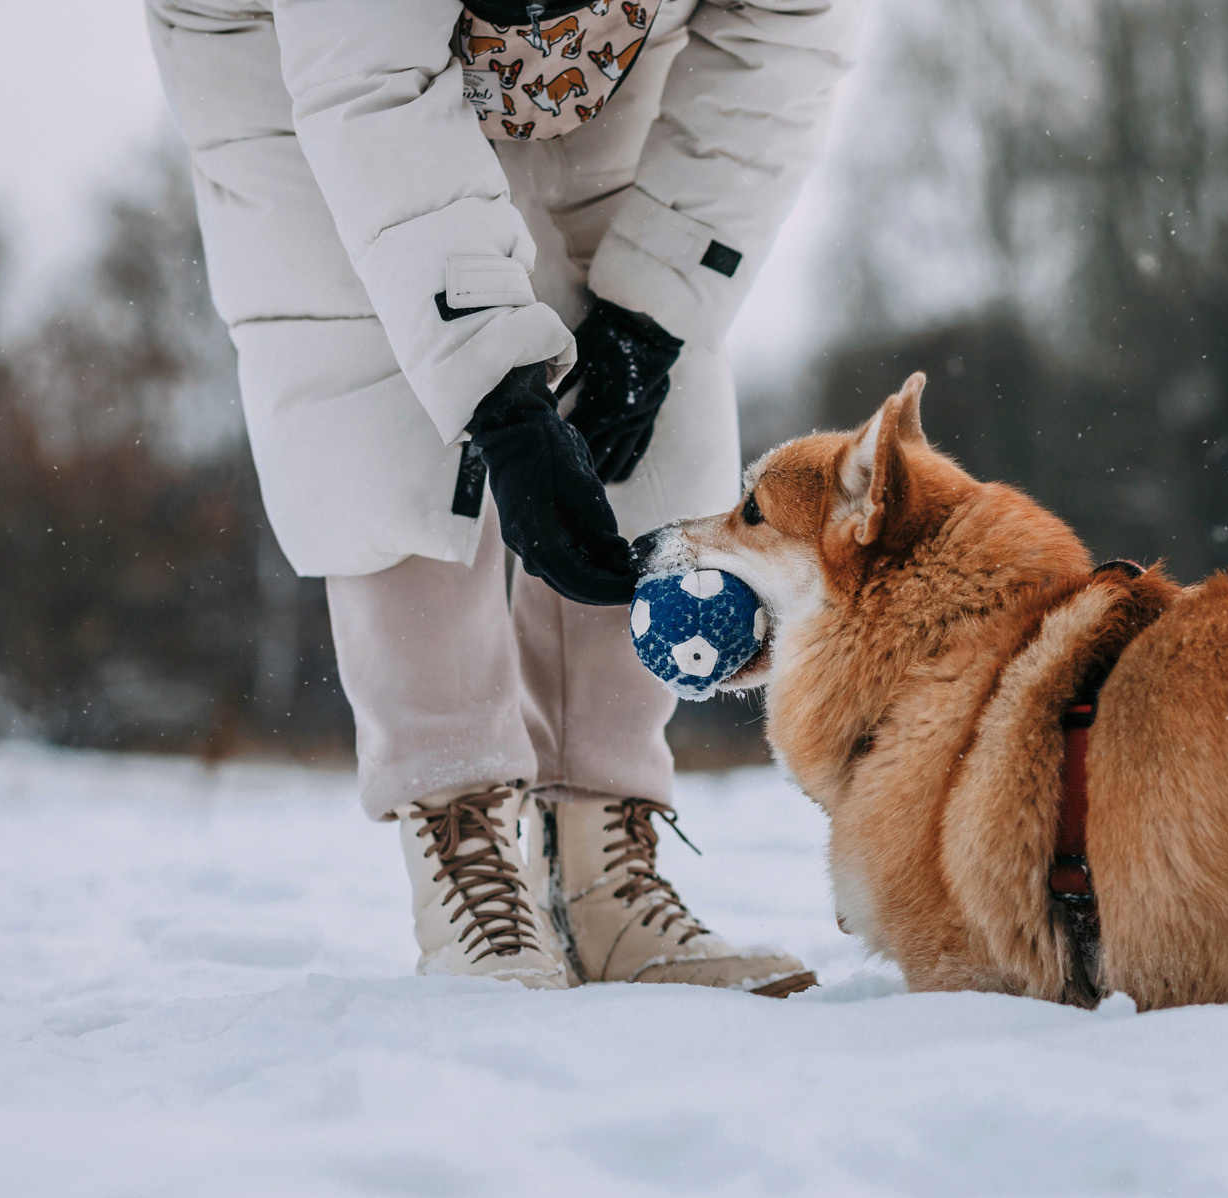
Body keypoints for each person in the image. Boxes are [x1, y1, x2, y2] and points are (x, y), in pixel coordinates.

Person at [146, 0, 859, 993]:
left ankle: (601, 862)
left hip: (602, 47)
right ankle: (462, 835)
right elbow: (371, 86)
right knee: (372, 364)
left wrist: (651, 313)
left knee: (649, 386)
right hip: (305, 41)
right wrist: (503, 402)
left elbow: (787, 38)